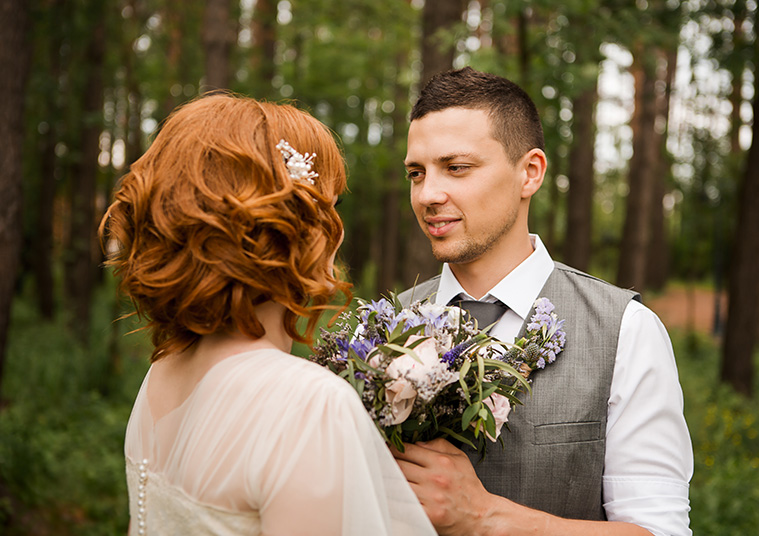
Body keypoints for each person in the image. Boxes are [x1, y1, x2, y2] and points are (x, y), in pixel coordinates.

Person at [100, 94, 436, 536]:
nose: (336, 228)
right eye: (329, 204)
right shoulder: (308, 405)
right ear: (295, 226)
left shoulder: (161, 374)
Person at [394, 67, 693, 536]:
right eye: (417, 173)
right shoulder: (385, 328)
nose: (429, 194)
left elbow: (659, 531)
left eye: (456, 168)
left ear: (529, 173)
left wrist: (486, 516)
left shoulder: (625, 330)